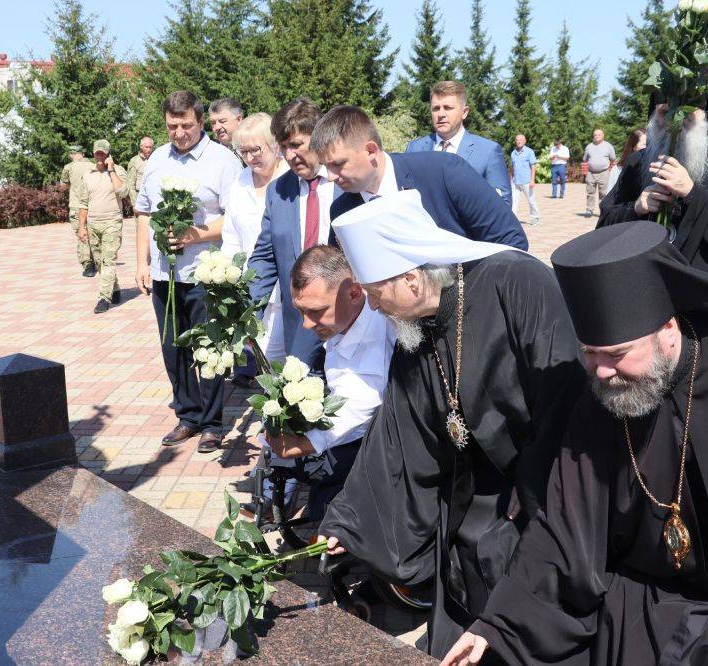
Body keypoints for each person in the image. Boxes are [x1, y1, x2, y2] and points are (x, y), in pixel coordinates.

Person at [444, 221, 708, 666]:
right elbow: (564, 530)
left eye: (616, 354)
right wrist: (499, 624)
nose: (600, 372)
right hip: (638, 611)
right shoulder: (601, 398)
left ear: (668, 329)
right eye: (589, 353)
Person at [318, 190, 584, 659]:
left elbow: (566, 396)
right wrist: (349, 518)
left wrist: (535, 503)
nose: (374, 308)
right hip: (470, 488)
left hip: (544, 483)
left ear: (412, 278)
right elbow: (397, 433)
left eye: (377, 294)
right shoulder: (414, 326)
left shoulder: (516, 280)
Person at [135, 91, 243, 452]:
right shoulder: (157, 161)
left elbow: (236, 218)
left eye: (186, 125)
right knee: (172, 348)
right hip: (165, 273)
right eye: (171, 126)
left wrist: (193, 234)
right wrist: (141, 263)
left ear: (200, 122)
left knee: (208, 348)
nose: (178, 133)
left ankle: (212, 422)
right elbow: (144, 213)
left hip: (205, 273)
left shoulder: (223, 161)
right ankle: (188, 415)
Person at [267, 244, 394, 521]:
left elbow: (365, 403)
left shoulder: (379, 328)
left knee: (328, 507)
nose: (307, 324)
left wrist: (310, 441)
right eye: (301, 311)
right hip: (354, 433)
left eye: (316, 311)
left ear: (353, 292)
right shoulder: (345, 317)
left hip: (383, 443)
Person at [310, 105, 528, 249]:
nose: (330, 176)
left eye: (338, 164)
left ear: (370, 151)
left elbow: (510, 241)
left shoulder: (444, 172)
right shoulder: (342, 212)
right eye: (325, 166)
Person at [599, 94, 708, 286]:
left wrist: (692, 193)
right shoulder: (637, 163)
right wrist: (635, 208)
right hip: (643, 288)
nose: (673, 121)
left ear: (704, 116)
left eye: (685, 113)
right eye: (665, 112)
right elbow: (605, 223)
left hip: (702, 294)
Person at [248, 98, 339, 375]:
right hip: (301, 324)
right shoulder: (278, 191)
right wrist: (249, 311)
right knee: (305, 401)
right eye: (283, 147)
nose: (289, 155)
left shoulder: (347, 182)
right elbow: (265, 257)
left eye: (297, 144)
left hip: (351, 320)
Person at [220, 112, 289, 389]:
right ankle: (274, 424)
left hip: (288, 288)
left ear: (274, 145)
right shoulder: (240, 182)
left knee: (288, 362)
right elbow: (231, 235)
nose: (250, 157)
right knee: (264, 362)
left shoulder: (290, 178)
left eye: (256, 149)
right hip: (252, 288)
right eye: (243, 151)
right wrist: (228, 278)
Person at [405, 81, 512, 206]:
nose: (441, 114)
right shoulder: (415, 149)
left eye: (448, 108)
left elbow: (503, 206)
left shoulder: (488, 152)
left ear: (464, 112)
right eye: (435, 108)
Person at [73, 140, 128, 314]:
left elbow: (123, 192)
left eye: (103, 153)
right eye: (97, 153)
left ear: (108, 154)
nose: (100, 156)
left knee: (109, 259)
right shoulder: (88, 174)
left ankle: (104, 297)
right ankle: (115, 288)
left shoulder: (118, 171)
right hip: (93, 223)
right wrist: (81, 227)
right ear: (93, 153)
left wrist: (111, 170)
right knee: (99, 261)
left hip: (112, 222)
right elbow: (83, 202)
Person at [60, 144, 97, 277]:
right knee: (94, 233)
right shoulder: (93, 165)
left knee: (82, 235)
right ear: (83, 153)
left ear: (71, 155)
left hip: (76, 206)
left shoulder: (68, 167)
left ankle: (88, 265)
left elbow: (63, 186)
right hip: (93, 206)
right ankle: (98, 260)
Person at [583, 128, 617, 217]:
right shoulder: (589, 146)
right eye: (595, 135)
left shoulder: (608, 146)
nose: (596, 136)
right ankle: (589, 210)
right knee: (590, 192)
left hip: (604, 173)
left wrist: (609, 169)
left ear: (603, 136)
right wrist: (585, 172)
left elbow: (613, 159)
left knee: (604, 193)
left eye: (598, 135)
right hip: (591, 173)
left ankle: (603, 210)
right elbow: (585, 160)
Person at [509, 134, 540, 226]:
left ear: (525, 141)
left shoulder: (529, 152)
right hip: (516, 182)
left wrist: (532, 180)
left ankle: (535, 218)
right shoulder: (513, 153)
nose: (519, 141)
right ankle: (512, 219)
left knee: (531, 200)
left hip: (526, 181)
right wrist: (510, 179)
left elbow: (533, 166)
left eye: (521, 140)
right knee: (514, 201)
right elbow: (512, 167)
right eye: (517, 140)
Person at [606, 127, 647, 194]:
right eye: (645, 144)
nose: (648, 148)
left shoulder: (651, 167)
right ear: (634, 146)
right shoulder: (618, 170)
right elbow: (609, 194)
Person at [126, 136, 155, 209]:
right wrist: (134, 204)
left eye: (151, 147)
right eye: (146, 147)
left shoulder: (155, 159)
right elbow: (130, 185)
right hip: (140, 198)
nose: (149, 149)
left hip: (154, 197)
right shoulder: (134, 161)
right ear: (141, 147)